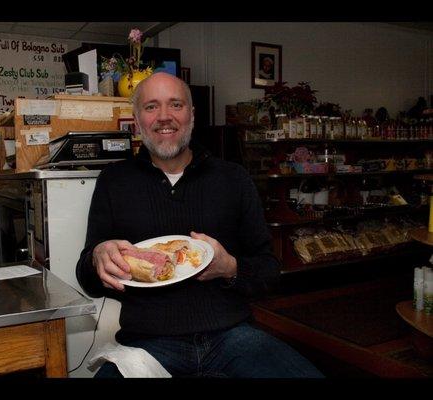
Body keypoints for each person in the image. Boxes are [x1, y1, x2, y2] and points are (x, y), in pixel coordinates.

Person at [76, 72, 323, 378]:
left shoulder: (233, 178)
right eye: (152, 107)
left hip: (233, 336)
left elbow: (269, 271)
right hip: (148, 344)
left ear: (191, 115)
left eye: (175, 105)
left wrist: (230, 267)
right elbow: (86, 278)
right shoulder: (114, 181)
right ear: (137, 120)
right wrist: (97, 256)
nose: (164, 117)